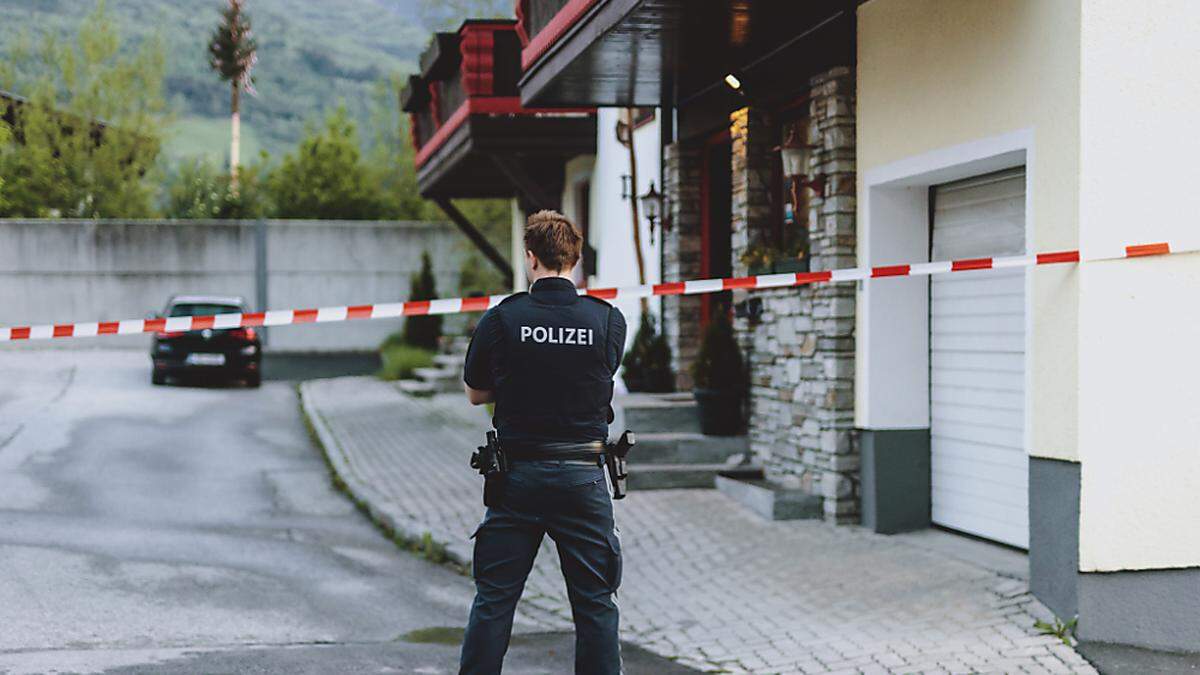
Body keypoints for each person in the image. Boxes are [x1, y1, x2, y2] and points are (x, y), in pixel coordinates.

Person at [459, 210, 627, 675]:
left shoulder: (503, 318)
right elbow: (591, 378)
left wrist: (516, 383)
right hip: (583, 480)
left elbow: (476, 393)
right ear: (573, 260)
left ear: (530, 257)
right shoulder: (608, 320)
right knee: (595, 605)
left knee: (494, 601)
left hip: (518, 479)